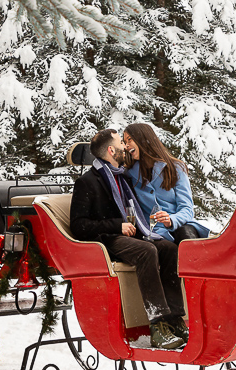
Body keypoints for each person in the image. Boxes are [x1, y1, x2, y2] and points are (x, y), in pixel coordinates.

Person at [69, 128, 187, 350]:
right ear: (112, 150)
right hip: (107, 240)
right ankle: (158, 324)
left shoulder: (122, 177)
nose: (125, 147)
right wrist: (116, 225)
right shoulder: (88, 182)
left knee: (169, 248)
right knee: (147, 251)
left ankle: (175, 318)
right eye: (120, 143)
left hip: (133, 235)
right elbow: (79, 225)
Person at [121, 123, 211, 244]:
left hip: (181, 227)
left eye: (129, 140)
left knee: (185, 236)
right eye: (124, 142)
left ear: (143, 139)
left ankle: (193, 260)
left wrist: (171, 220)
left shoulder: (175, 168)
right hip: (154, 232)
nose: (126, 146)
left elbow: (187, 209)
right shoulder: (129, 174)